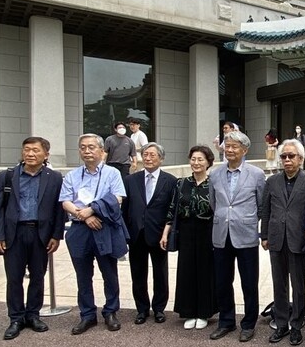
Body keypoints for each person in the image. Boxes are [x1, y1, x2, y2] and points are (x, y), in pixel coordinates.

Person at [0, 137, 65, 340]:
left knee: (38, 277)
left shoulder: (55, 178)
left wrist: (57, 235)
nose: (30, 154)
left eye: (35, 150)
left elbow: (60, 210)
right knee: (14, 278)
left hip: (40, 234)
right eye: (26, 150)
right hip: (14, 233)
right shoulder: (7, 176)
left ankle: (33, 315)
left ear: (46, 155)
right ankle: (15, 318)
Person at [60, 133, 128, 335]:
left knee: (109, 273)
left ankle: (110, 311)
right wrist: (84, 216)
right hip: (80, 229)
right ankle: (87, 314)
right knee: (83, 275)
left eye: (91, 147)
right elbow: (65, 201)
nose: (87, 151)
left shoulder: (112, 173)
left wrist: (92, 210)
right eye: (83, 147)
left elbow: (118, 198)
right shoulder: (72, 175)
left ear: (101, 150)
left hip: (104, 227)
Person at [260, 139, 305, 346]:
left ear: (301, 159)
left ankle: (296, 324)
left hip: (298, 240)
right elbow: (265, 210)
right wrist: (264, 235)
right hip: (276, 239)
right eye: (283, 156)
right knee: (279, 283)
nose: (286, 160)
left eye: (291, 156)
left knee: (298, 283)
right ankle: (282, 323)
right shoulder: (272, 181)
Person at [209, 131, 266, 342]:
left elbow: (262, 206)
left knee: (249, 282)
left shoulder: (257, 174)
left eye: (234, 146)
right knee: (223, 281)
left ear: (245, 150)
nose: (230, 150)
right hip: (221, 234)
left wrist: (251, 223)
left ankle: (249, 323)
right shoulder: (215, 174)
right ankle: (226, 321)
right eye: (227, 146)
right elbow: (214, 203)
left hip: (246, 234)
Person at [161, 145, 217, 329]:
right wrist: (166, 233)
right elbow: (172, 209)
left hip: (206, 232)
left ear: (208, 162)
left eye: (200, 159)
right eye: (193, 159)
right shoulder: (181, 183)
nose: (196, 163)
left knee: (205, 271)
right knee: (186, 271)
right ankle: (188, 312)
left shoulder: (214, 184)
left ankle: (204, 313)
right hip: (185, 231)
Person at [122, 142, 177, 325]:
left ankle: (159, 308)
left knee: (160, 273)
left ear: (161, 158)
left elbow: (172, 209)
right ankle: (142, 309)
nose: (148, 158)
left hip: (159, 235)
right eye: (145, 154)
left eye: (153, 155)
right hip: (136, 234)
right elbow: (125, 209)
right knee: (138, 273)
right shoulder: (130, 180)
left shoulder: (170, 181)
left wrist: (168, 233)